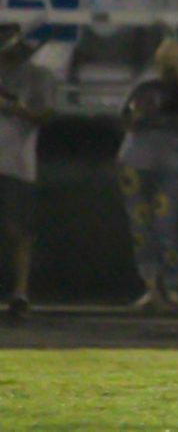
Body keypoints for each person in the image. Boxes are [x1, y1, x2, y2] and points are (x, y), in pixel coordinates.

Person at [116, 36, 178, 311]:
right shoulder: (144, 82)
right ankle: (151, 285)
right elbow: (126, 117)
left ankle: (172, 286)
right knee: (141, 227)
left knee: (165, 224)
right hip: (136, 162)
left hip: (169, 162)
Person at [0, 25, 56, 322]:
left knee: (18, 230)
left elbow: (46, 113)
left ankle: (20, 293)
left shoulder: (38, 75)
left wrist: (14, 108)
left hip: (17, 164)